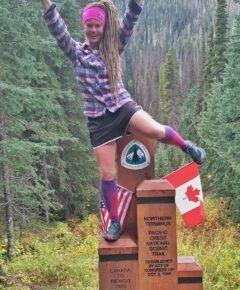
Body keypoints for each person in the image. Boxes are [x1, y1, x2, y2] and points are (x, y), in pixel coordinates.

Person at [40, 0, 206, 241]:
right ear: (84, 26)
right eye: (90, 25)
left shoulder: (112, 46)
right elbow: (55, 24)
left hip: (121, 106)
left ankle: (187, 146)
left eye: (98, 25)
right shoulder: (75, 52)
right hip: (98, 120)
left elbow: (130, 19)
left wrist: (136, 3)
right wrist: (46, 3)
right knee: (107, 173)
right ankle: (115, 222)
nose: (94, 30)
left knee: (155, 130)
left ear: (104, 26)